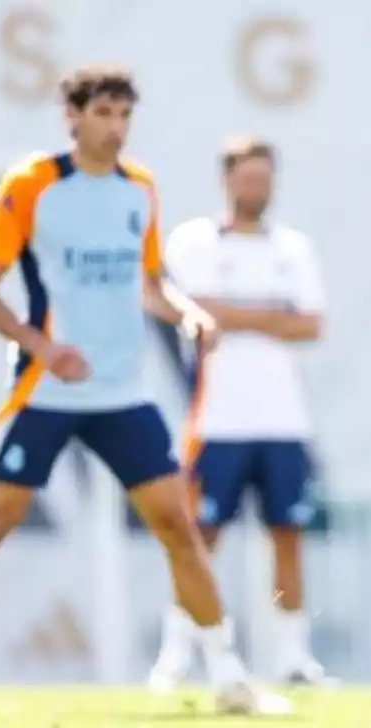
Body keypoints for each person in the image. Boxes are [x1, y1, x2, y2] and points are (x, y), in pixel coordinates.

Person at [0, 66, 289, 717]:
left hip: (124, 395)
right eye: (103, 114)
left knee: (179, 526)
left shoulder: (140, 188)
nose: (115, 128)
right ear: (71, 115)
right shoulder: (33, 184)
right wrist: (45, 349)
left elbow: (152, 284)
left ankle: (229, 678)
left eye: (124, 115)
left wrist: (189, 313)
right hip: (44, 392)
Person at [148, 138, 328, 689]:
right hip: (217, 418)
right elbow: (169, 302)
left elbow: (310, 324)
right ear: (226, 180)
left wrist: (230, 313)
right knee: (201, 538)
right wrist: (269, 314)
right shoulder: (194, 242)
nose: (257, 188)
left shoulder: (292, 247)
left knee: (287, 536)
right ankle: (178, 653)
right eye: (247, 177)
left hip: (283, 419)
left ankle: (292, 654)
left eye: (264, 178)